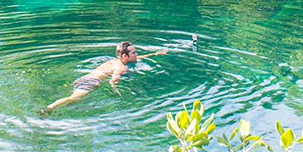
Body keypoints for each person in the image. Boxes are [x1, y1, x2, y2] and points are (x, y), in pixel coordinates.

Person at [42, 38, 193, 114]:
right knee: (75, 99)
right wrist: (117, 91)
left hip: (84, 78)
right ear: (125, 56)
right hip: (92, 82)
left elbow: (139, 58)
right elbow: (113, 81)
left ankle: (52, 105)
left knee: (75, 98)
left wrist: (156, 54)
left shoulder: (115, 60)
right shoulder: (121, 68)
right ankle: (49, 108)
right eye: (134, 52)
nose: (137, 54)